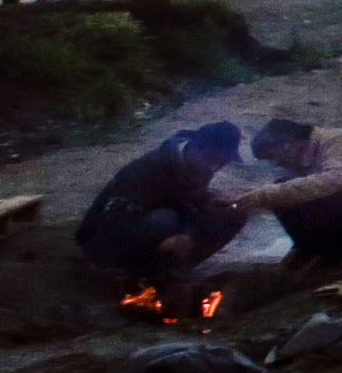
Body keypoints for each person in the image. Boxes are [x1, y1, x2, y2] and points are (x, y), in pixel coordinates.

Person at [76, 119, 252, 294]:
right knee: (164, 220)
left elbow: (189, 203)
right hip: (109, 244)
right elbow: (113, 222)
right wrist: (167, 240)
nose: (214, 167)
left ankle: (172, 270)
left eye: (222, 162)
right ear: (196, 148)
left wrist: (194, 230)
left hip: (154, 223)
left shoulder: (194, 165)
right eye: (212, 159)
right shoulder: (146, 170)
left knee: (234, 213)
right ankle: (136, 274)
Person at [225, 117, 342, 268]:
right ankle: (312, 251)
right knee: (283, 189)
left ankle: (336, 255)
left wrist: (263, 195)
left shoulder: (340, 141)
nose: (276, 163)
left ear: (287, 145)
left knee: (291, 192)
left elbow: (338, 180)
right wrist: (245, 197)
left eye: (274, 157)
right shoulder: (308, 154)